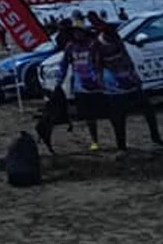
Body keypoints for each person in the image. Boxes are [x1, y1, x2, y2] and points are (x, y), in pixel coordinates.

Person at [89, 12, 163, 151]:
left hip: (128, 81)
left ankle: (154, 137)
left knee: (146, 110)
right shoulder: (97, 45)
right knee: (119, 117)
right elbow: (96, 66)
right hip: (115, 85)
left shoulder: (115, 41)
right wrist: (102, 81)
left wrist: (134, 76)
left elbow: (126, 58)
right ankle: (122, 146)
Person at [55, 24, 108, 152]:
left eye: (80, 32)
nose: (77, 35)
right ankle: (95, 141)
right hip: (81, 86)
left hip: (97, 85)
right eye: (75, 32)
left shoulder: (93, 44)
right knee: (89, 117)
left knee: (109, 112)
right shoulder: (70, 47)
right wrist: (59, 81)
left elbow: (102, 61)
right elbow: (64, 65)